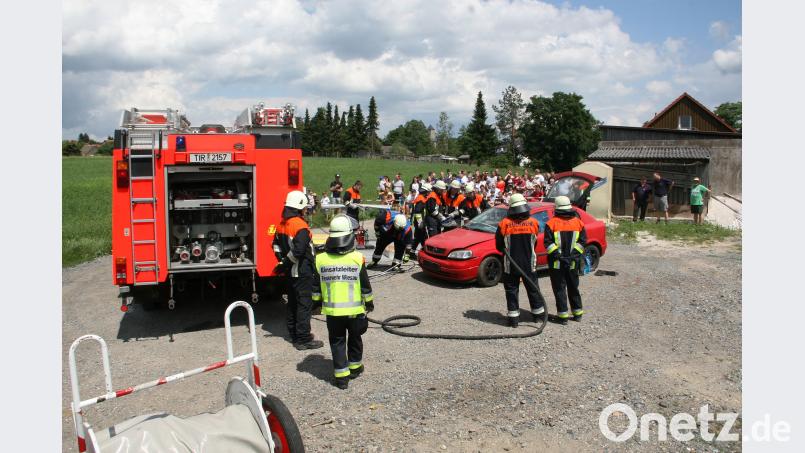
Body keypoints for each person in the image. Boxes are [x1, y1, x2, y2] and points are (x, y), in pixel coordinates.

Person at [312, 215, 374, 389]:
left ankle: (341, 378)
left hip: (333, 313)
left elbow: (315, 289)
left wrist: (315, 304)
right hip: (354, 312)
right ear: (349, 237)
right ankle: (355, 368)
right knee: (355, 338)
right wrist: (369, 304)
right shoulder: (357, 258)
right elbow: (365, 287)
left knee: (337, 342)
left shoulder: (320, 259)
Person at [273, 191, 324, 350]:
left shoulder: (281, 224)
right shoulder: (299, 225)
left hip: (290, 273)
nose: (306, 210)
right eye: (305, 207)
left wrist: (282, 262)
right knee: (304, 305)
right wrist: (287, 263)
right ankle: (303, 339)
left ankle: (294, 334)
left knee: (292, 303)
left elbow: (275, 245)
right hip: (302, 272)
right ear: (299, 207)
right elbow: (299, 251)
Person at [495, 193, 546, 328]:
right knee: (533, 289)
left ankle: (514, 320)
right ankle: (538, 316)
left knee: (512, 291)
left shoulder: (504, 224)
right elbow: (534, 242)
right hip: (529, 263)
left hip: (510, 265)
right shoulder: (534, 223)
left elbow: (499, 246)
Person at [544, 195, 586, 325]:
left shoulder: (551, 223)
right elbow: (582, 243)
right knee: (573, 287)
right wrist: (572, 256)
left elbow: (548, 244)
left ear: (556, 208)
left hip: (557, 264)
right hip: (573, 263)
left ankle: (563, 317)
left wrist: (559, 256)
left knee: (559, 289)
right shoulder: (578, 223)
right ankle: (577, 314)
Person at [411, 182, 431, 253]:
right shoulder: (421, 200)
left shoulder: (420, 197)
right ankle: (425, 252)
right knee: (422, 237)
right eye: (428, 192)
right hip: (420, 223)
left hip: (419, 222)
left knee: (420, 238)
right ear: (426, 191)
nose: (429, 193)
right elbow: (417, 212)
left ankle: (413, 252)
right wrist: (420, 223)